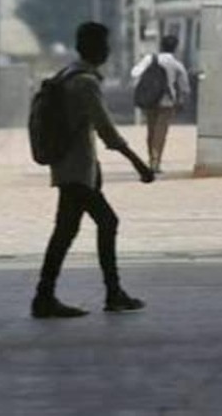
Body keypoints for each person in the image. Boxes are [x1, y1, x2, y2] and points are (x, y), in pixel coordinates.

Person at [32, 22, 154, 319]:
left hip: (73, 168)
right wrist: (138, 163)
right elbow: (106, 130)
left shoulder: (66, 75)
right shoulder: (85, 82)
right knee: (106, 222)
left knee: (66, 231)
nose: (108, 51)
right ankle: (110, 293)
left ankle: (46, 296)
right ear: (95, 48)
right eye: (105, 45)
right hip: (76, 170)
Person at [130, 34, 190, 173]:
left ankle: (151, 158)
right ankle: (156, 162)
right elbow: (185, 86)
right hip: (167, 101)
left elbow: (134, 73)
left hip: (150, 99)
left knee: (150, 130)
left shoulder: (150, 58)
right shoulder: (176, 64)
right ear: (175, 47)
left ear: (161, 46)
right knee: (161, 132)